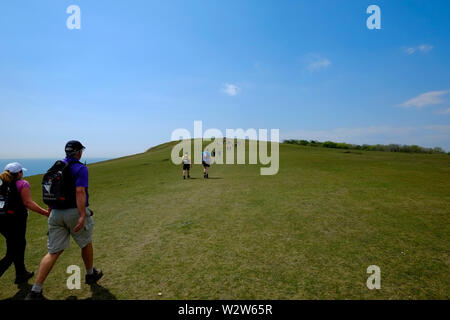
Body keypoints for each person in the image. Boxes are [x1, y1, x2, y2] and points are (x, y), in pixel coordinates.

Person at [26, 141, 103, 300]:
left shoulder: (56, 166)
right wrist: (82, 214)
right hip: (73, 212)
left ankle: (35, 290)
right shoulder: (80, 168)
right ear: (78, 152)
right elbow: (80, 191)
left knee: (53, 251)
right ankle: (90, 274)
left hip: (55, 213)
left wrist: (50, 208)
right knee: (86, 242)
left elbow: (49, 189)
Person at [0, 162, 50, 284]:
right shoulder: (22, 183)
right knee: (12, 252)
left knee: (19, 244)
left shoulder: (1, 184)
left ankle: (21, 274)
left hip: (2, 221)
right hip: (16, 221)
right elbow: (28, 203)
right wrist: (45, 213)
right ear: (19, 173)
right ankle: (20, 274)